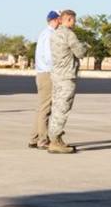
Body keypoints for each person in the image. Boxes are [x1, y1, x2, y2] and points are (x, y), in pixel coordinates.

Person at [47, 9, 88, 154]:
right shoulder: (69, 34)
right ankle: (55, 140)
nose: (75, 24)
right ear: (69, 19)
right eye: (74, 21)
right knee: (63, 108)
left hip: (56, 75)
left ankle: (54, 138)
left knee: (56, 106)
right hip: (66, 77)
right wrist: (85, 46)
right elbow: (80, 52)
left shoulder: (55, 34)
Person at [30, 11, 61, 150]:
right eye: (60, 20)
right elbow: (50, 57)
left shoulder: (44, 33)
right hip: (48, 73)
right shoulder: (50, 35)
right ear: (55, 20)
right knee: (46, 109)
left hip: (42, 73)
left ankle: (34, 138)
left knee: (41, 108)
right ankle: (43, 140)